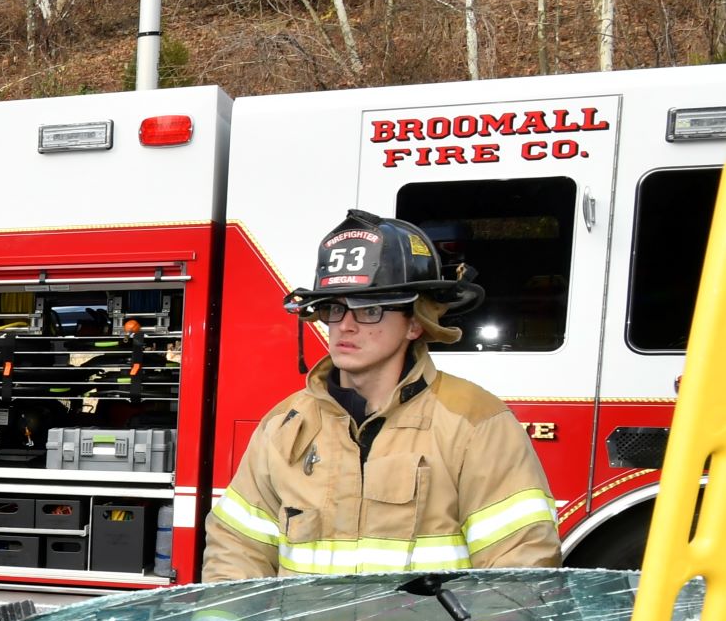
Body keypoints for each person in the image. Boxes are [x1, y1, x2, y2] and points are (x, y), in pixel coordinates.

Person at [202, 210, 559, 591]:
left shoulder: (475, 422)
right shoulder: (285, 425)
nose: (345, 325)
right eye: (334, 307)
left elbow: (519, 569)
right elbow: (237, 549)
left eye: (369, 309)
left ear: (416, 322)